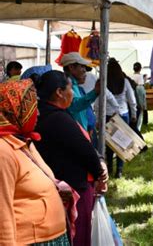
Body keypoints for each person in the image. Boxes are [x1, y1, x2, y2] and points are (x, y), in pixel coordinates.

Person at [34, 71, 108, 246]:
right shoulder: (57, 118)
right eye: (71, 88)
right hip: (74, 188)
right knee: (79, 235)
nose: (73, 92)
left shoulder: (45, 114)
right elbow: (83, 148)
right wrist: (100, 172)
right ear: (60, 92)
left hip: (60, 187)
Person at [0, 79, 69, 245]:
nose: (37, 114)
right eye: (32, 108)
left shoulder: (21, 142)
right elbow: (2, 212)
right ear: (14, 111)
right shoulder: (3, 151)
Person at [105, 58, 137, 178]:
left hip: (108, 115)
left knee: (109, 143)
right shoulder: (125, 82)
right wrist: (134, 115)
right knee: (122, 143)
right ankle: (119, 170)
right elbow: (132, 100)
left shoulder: (103, 81)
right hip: (123, 114)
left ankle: (109, 167)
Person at [60, 52, 100, 131]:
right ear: (71, 67)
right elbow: (74, 106)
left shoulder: (76, 86)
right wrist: (95, 92)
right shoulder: (67, 85)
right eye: (82, 67)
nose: (85, 70)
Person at [131, 62, 147, 131]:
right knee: (139, 116)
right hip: (138, 99)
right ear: (140, 69)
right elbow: (141, 91)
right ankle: (137, 130)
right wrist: (143, 104)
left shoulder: (131, 76)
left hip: (132, 98)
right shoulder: (140, 77)